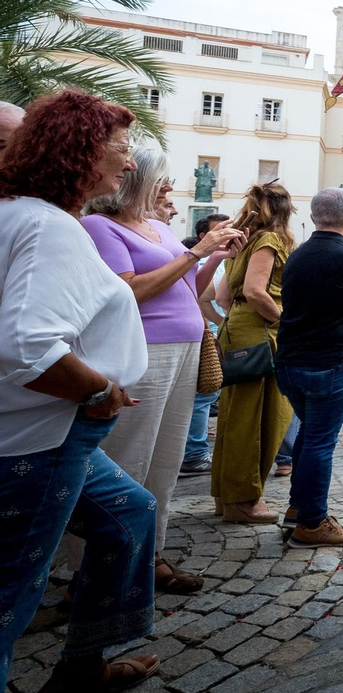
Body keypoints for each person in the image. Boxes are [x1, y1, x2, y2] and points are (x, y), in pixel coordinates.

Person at [0, 90, 159, 691]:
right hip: (41, 438)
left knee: (129, 518)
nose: (128, 164)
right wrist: (98, 390)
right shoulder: (47, 228)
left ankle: (84, 663)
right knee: (11, 592)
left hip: (47, 430)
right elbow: (28, 348)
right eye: (119, 150)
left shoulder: (24, 215)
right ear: (79, 152)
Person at [79, 147, 240, 594]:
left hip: (185, 348)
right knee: (130, 457)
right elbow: (127, 292)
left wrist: (214, 257)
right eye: (163, 179)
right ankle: (96, 569)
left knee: (165, 462)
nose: (170, 187)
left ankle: (148, 556)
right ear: (138, 179)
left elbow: (189, 290)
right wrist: (197, 253)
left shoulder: (154, 227)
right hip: (145, 352)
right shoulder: (100, 226)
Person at [273, 187, 343, 546]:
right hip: (330, 363)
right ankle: (312, 522)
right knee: (321, 442)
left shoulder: (297, 255)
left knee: (309, 433)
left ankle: (297, 508)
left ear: (311, 218)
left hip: (290, 361)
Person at [212, 182, 296, 524]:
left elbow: (221, 297)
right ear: (285, 210)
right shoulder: (269, 240)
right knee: (262, 419)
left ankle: (227, 497)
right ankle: (245, 500)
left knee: (235, 418)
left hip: (238, 329)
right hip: (262, 332)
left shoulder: (242, 242)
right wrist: (286, 321)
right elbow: (255, 291)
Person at [181, 212, 233, 475]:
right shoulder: (199, 262)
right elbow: (201, 296)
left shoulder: (223, 259)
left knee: (207, 395)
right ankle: (194, 453)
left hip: (214, 333)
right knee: (203, 396)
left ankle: (193, 449)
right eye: (220, 231)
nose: (227, 235)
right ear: (203, 237)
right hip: (208, 335)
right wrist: (219, 321)